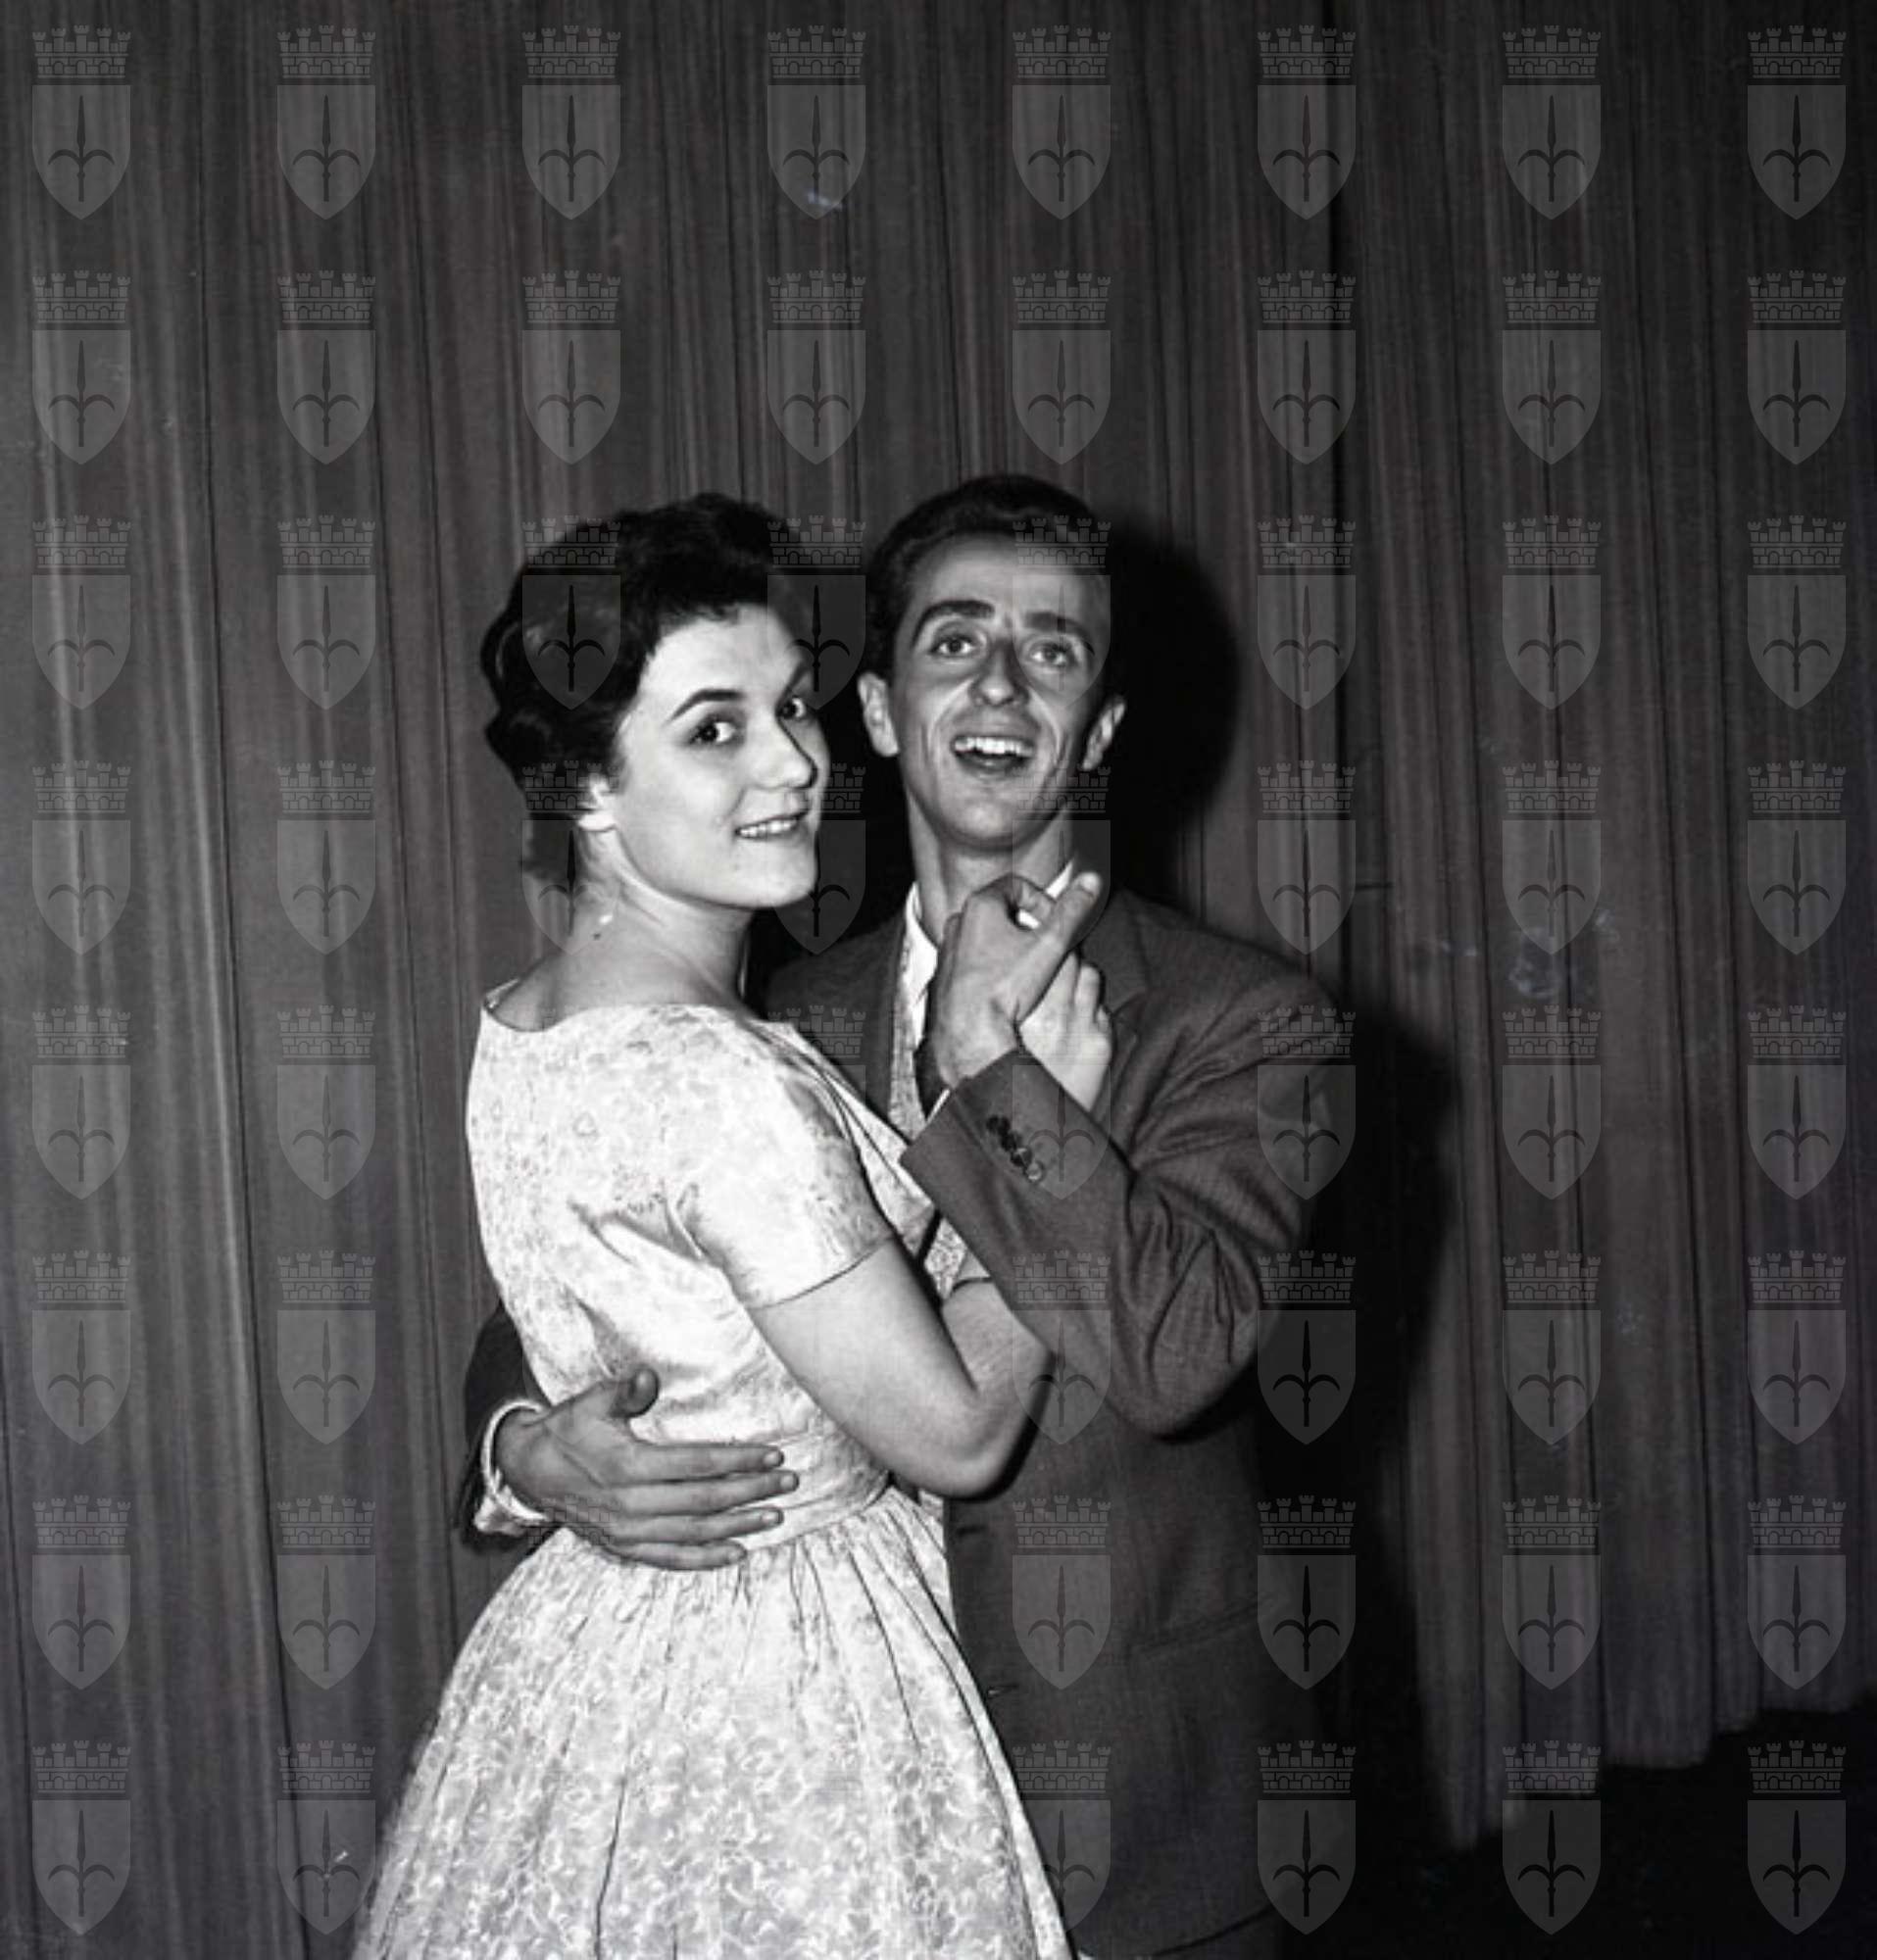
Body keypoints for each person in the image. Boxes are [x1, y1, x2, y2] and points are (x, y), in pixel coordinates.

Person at [464, 476, 1331, 1958]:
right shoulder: (775, 1015)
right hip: (822, 1810)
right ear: (874, 712)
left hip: (1130, 1817)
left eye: (1053, 651)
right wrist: (529, 1449)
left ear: (1099, 733)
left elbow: (1177, 1353)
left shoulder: (1244, 1020)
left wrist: (1002, 1087)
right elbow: (567, 1288)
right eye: (954, 641)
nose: (1000, 684)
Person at [353, 494, 1086, 1957]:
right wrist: (1045, 1131)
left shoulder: (525, 1020)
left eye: (792, 707)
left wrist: (532, 1447)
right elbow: (955, 1436)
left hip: (599, 1657)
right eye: (714, 729)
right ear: (587, 790)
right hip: (788, 1692)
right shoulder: (719, 1076)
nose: (795, 763)